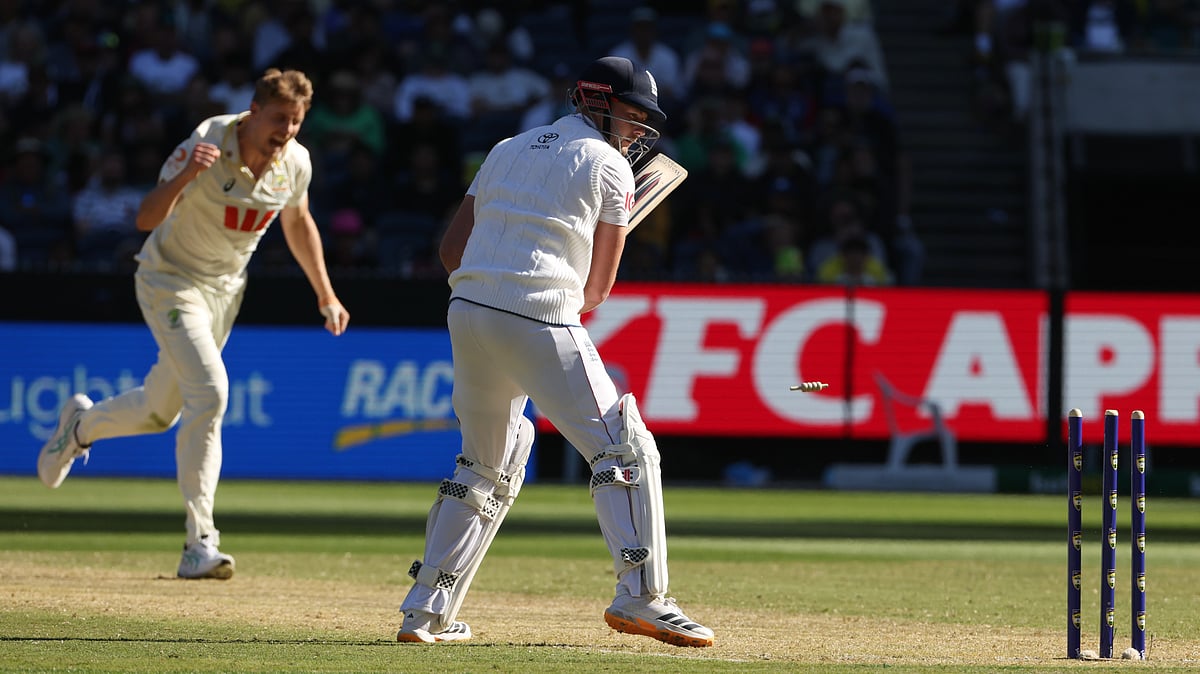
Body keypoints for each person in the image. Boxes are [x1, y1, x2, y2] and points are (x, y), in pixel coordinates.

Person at [396, 56, 714, 648]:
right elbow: (597, 290)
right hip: (537, 311)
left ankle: (426, 612)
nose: (640, 128)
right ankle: (643, 597)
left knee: (485, 462)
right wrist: (554, 293)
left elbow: (450, 251)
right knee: (623, 443)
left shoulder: (505, 147)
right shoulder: (610, 165)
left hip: (467, 313)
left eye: (647, 119)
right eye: (633, 113)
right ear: (596, 100)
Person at [36, 68, 351, 580]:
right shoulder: (208, 139)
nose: (286, 132)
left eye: (295, 123)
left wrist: (326, 293)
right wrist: (185, 178)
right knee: (210, 393)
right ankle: (199, 541)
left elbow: (297, 222)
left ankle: (80, 427)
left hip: (224, 293)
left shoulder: (295, 164)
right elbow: (145, 218)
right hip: (169, 280)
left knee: (160, 411)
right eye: (278, 120)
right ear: (252, 110)